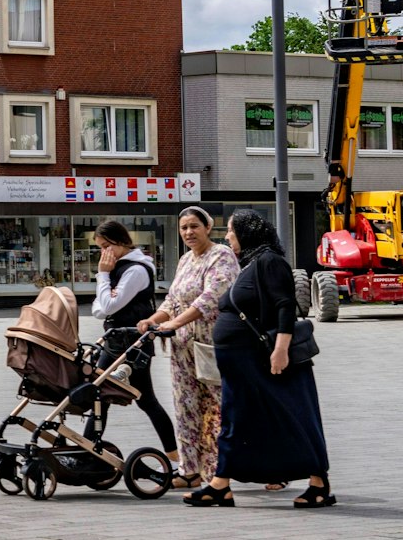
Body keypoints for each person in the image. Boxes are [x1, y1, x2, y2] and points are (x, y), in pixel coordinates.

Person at [186, 209, 335, 508]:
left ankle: (319, 484)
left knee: (293, 415)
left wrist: (280, 350)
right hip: (240, 363)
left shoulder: (270, 261)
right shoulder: (251, 263)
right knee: (236, 420)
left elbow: (284, 306)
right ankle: (221, 484)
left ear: (247, 232)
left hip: (262, 359)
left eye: (231, 230)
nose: (227, 237)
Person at [134, 206, 239, 490]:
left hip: (211, 345)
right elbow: (172, 300)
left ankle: (219, 472)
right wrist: (153, 320)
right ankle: (190, 469)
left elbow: (212, 297)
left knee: (217, 408)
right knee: (185, 406)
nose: (189, 232)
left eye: (194, 226)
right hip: (182, 348)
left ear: (207, 227)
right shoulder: (184, 260)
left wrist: (175, 323)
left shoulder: (221, 256)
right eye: (184, 228)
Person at [89, 220, 179, 469]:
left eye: (106, 246)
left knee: (116, 394)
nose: (103, 254)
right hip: (118, 340)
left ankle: (173, 458)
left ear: (120, 242)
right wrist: (106, 293)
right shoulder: (121, 267)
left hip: (131, 342)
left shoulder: (136, 270)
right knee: (103, 394)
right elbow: (100, 307)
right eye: (100, 248)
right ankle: (87, 448)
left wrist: (103, 275)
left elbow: (106, 306)